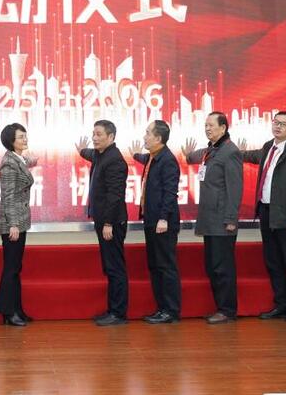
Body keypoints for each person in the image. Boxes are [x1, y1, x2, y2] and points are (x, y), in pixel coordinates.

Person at [242, 110, 286, 322]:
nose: (278, 126)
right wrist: (230, 151)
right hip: (266, 211)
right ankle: (281, 304)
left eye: (283, 124)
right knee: (273, 261)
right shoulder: (267, 148)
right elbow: (249, 155)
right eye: (275, 122)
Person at [184, 111, 243, 324]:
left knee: (222, 267)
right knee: (212, 266)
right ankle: (221, 307)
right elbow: (194, 157)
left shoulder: (230, 152)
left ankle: (227, 310)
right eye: (206, 125)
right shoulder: (211, 150)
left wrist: (231, 219)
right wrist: (188, 156)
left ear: (223, 127)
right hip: (210, 219)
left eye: (211, 125)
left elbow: (235, 188)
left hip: (222, 221)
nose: (207, 128)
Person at [76, 120, 129, 326]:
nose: (94, 138)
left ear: (111, 137)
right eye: (93, 134)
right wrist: (82, 151)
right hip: (104, 220)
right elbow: (90, 153)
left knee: (115, 267)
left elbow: (115, 195)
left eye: (99, 134)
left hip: (111, 222)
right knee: (109, 266)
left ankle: (118, 313)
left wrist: (108, 223)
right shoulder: (101, 154)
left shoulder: (114, 160)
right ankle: (112, 310)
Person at [130, 120, 182, 324]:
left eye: (147, 133)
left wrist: (163, 218)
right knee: (155, 265)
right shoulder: (153, 157)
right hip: (151, 220)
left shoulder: (167, 160)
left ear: (158, 138)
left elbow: (170, 192)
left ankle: (171, 310)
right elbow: (144, 158)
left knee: (166, 266)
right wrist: (136, 155)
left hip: (163, 223)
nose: (144, 136)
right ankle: (161, 308)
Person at [0, 123, 36, 327]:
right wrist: (13, 224)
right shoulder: (8, 164)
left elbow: (24, 166)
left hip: (20, 221)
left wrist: (31, 162)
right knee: (11, 269)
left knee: (15, 267)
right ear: (11, 141)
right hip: (12, 223)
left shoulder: (17, 159)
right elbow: (8, 196)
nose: (25, 139)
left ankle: (17, 309)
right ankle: (8, 312)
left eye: (25, 135)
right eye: (20, 137)